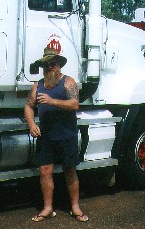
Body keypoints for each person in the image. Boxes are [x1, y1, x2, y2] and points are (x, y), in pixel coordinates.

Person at [24, 47, 89, 222]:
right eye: (45, 65)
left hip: (66, 135)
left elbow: (75, 104)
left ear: (59, 65)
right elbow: (29, 106)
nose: (49, 67)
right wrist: (31, 124)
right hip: (46, 137)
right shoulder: (37, 86)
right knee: (45, 171)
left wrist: (52, 101)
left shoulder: (68, 82)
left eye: (52, 64)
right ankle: (47, 208)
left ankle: (75, 208)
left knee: (70, 170)